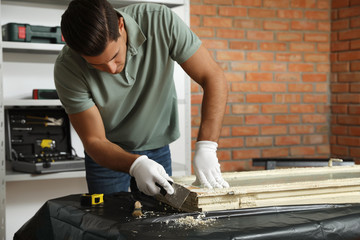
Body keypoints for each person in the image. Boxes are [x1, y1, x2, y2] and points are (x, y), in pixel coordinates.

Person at [54, 0, 229, 196]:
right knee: (107, 222)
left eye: (114, 56)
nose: (111, 69)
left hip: (156, 146)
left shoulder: (160, 20)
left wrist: (207, 145)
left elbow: (213, 77)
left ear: (121, 26)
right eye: (97, 65)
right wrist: (135, 164)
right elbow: (94, 140)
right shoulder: (67, 67)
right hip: (107, 154)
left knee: (160, 222)